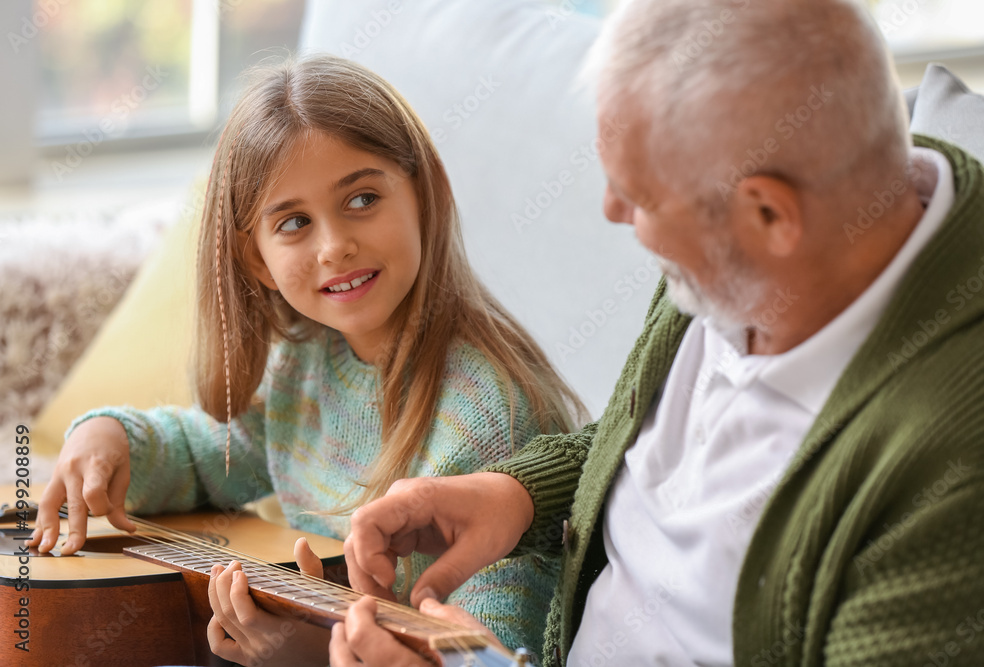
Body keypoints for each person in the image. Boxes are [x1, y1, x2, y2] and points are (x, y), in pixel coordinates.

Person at [330, 0, 984, 665]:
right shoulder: (747, 254)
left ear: (769, 214)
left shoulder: (960, 474)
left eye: (641, 198)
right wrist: (515, 496)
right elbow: (663, 452)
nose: (613, 210)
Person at [28, 54, 586, 664]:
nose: (334, 246)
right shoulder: (306, 363)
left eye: (363, 198)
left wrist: (309, 655)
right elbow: (210, 456)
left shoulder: (493, 414)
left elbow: (497, 650)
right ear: (257, 261)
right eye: (294, 222)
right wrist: (113, 438)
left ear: (424, 198)